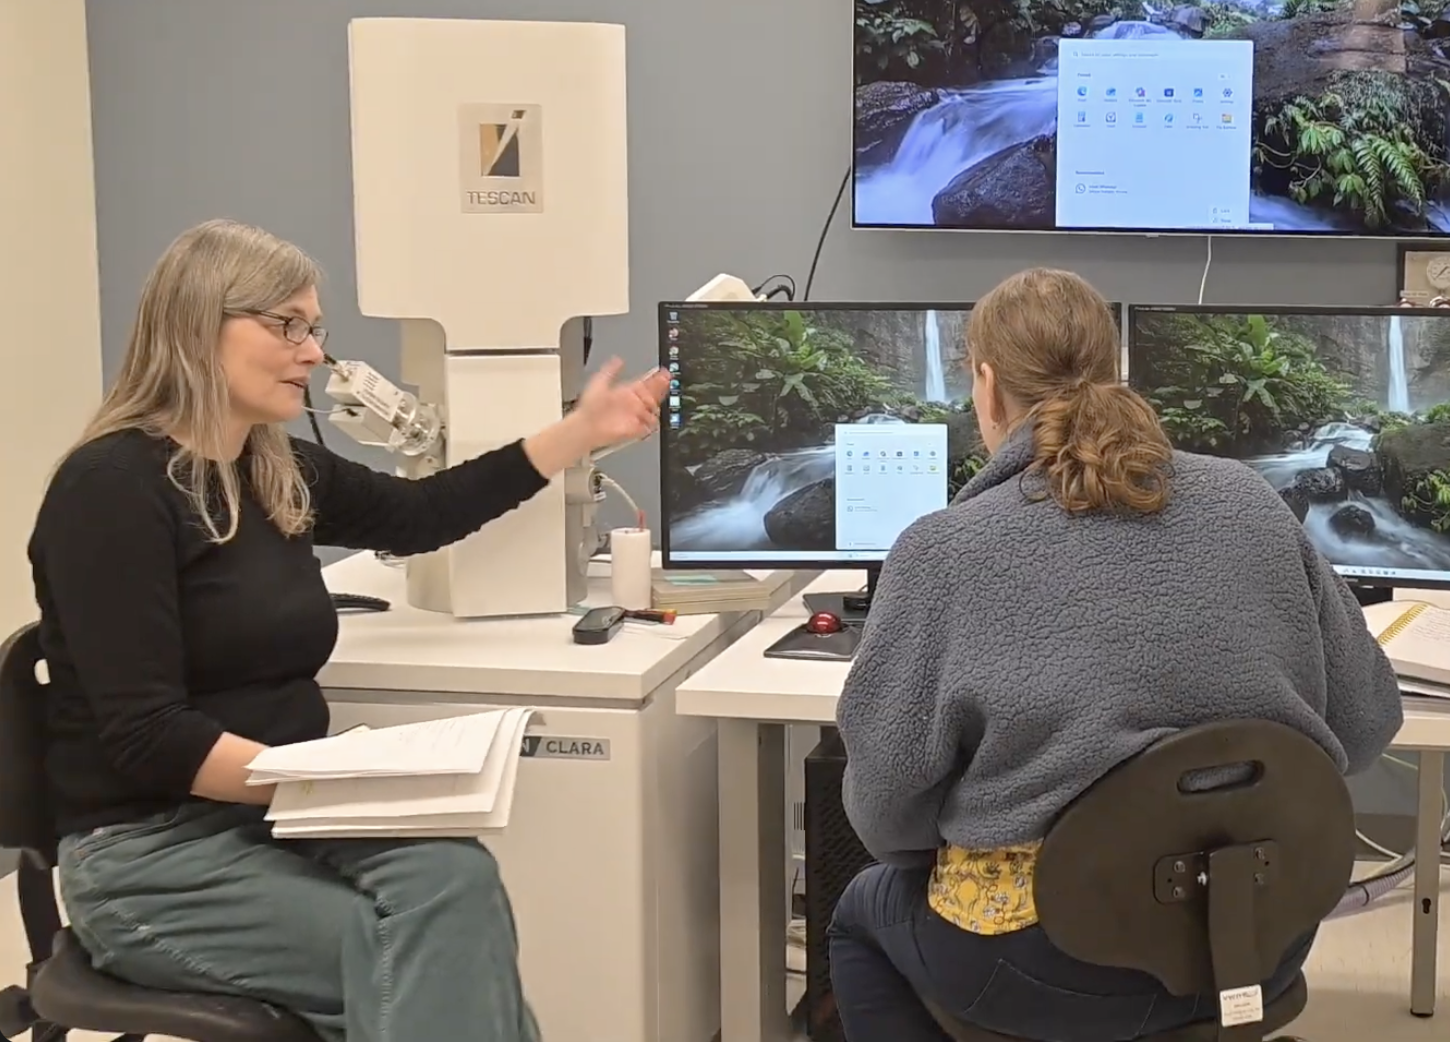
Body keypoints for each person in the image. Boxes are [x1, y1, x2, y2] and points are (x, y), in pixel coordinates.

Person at [28, 218, 669, 1042]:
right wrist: (338, 782)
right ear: (196, 325)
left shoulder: (274, 466)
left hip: (275, 816)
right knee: (414, 947)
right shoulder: (109, 491)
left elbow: (422, 513)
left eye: (314, 328)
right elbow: (149, 736)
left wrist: (579, 434)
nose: (314, 353)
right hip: (148, 855)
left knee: (454, 878)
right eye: (286, 325)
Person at [827, 268, 1403, 1042]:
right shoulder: (1251, 502)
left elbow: (886, 816)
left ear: (987, 386)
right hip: (1253, 935)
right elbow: (1367, 723)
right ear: (1116, 367)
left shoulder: (945, 549)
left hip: (1040, 966)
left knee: (862, 915)